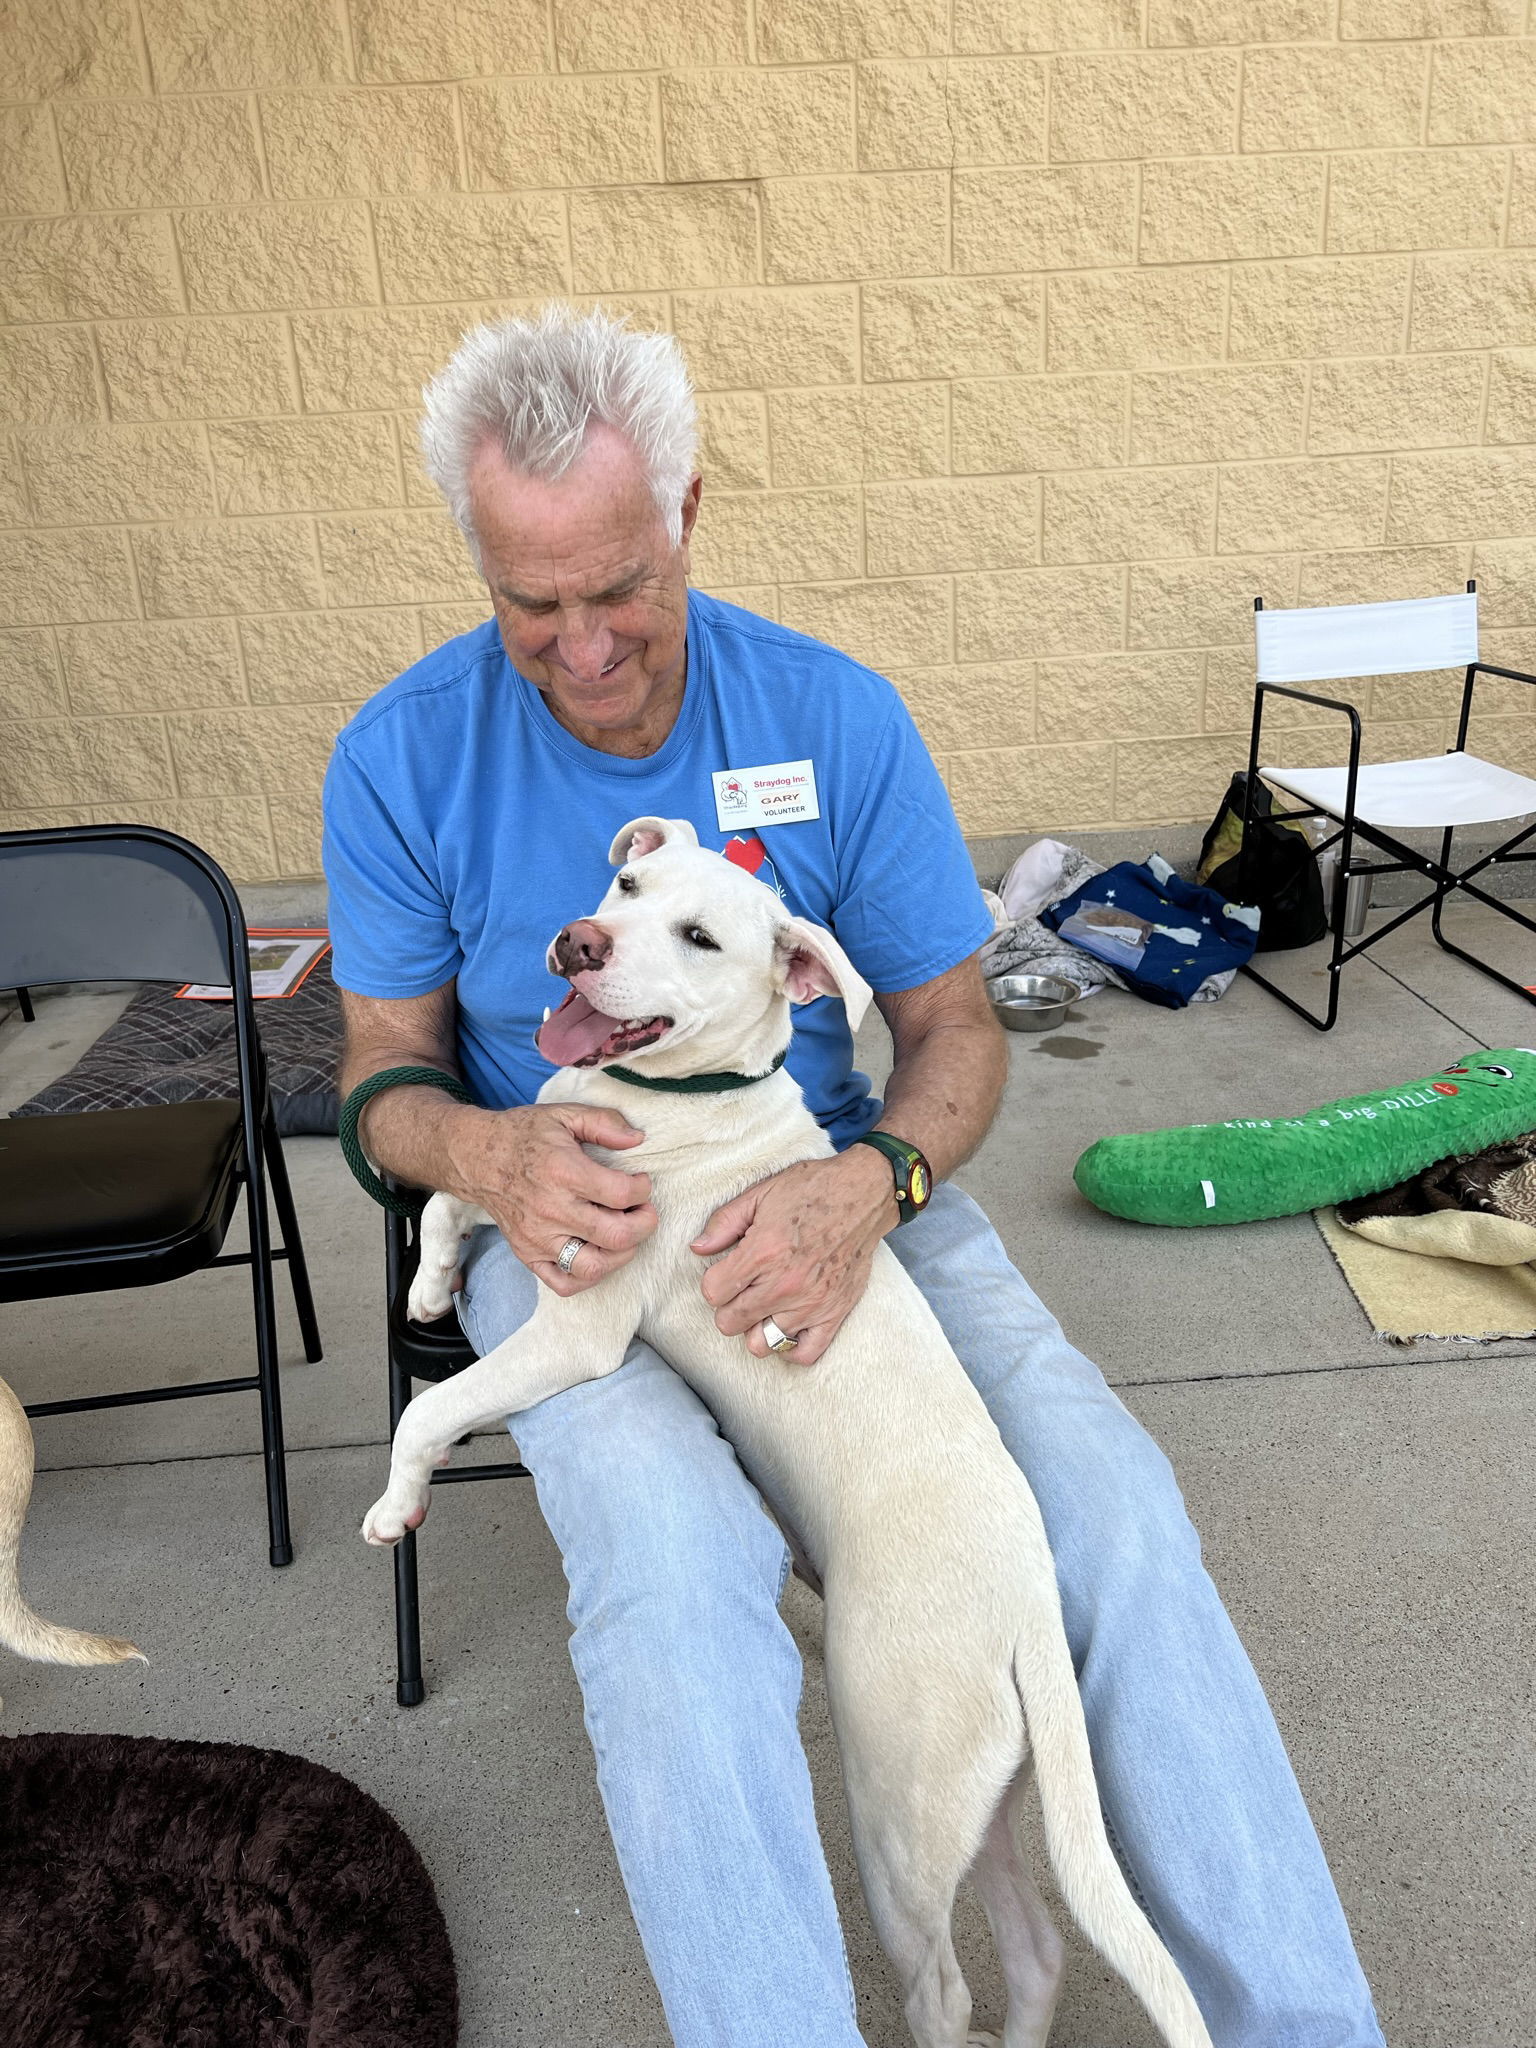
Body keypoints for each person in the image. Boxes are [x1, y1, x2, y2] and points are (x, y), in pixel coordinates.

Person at [323, 305, 1384, 2048]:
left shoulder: (832, 713)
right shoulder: (401, 753)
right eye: (533, 605)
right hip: (572, 1207)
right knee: (674, 1585)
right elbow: (379, 1069)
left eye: (619, 588)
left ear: (688, 519)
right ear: (479, 569)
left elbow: (955, 1030)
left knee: (1109, 1514)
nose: (583, 648)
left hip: (833, 1178)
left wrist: (873, 1181)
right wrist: (485, 1153)